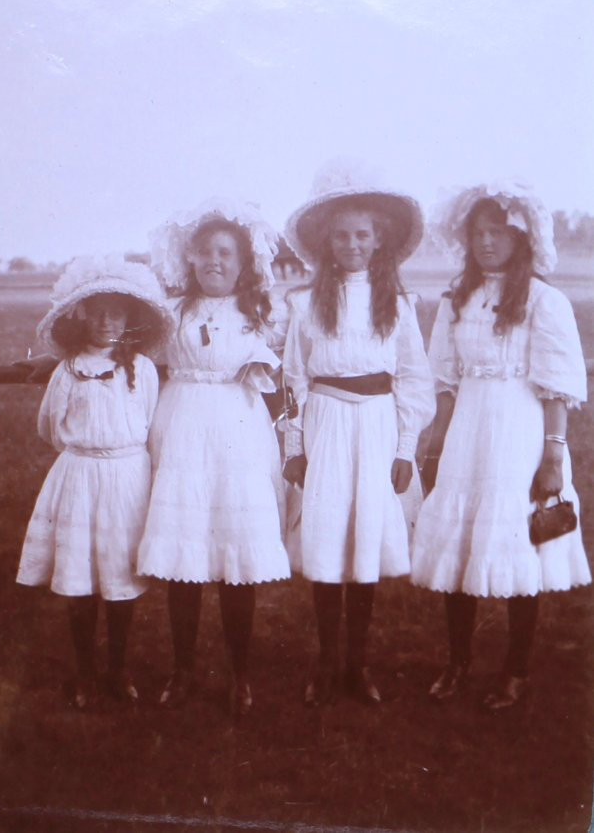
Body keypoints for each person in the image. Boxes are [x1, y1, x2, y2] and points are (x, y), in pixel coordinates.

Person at [410, 182, 591, 709]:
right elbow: (445, 378)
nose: (486, 242)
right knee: (461, 540)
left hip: (520, 430)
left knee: (517, 542)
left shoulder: (544, 299)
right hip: (469, 429)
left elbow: (556, 383)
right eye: (478, 233)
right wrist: (436, 443)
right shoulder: (457, 300)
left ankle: (515, 670)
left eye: (497, 232)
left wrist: (553, 454)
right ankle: (458, 662)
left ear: (520, 238)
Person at [282, 161, 435, 706]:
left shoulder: (396, 301)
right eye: (342, 235)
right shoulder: (303, 303)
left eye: (362, 235)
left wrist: (404, 449)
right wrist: (295, 447)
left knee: (366, 538)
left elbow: (415, 378)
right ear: (328, 240)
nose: (351, 244)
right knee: (327, 540)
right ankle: (325, 663)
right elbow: (293, 377)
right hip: (325, 422)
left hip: (376, 426)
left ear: (378, 241)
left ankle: (357, 664)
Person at [137, 199, 290, 716]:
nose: (213, 262)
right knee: (186, 553)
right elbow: (139, 363)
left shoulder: (261, 313)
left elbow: (281, 377)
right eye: (204, 252)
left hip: (238, 432)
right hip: (182, 430)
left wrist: (264, 370)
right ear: (190, 259)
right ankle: (182, 670)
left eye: (224, 253)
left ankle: (240, 672)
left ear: (244, 261)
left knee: (234, 554)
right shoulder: (172, 312)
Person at [16, 254, 172, 709]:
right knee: (80, 573)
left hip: (127, 479)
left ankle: (117, 668)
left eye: (117, 313)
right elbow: (49, 427)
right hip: (80, 477)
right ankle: (84, 670)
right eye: (99, 312)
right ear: (82, 316)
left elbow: (147, 421)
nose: (108, 322)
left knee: (120, 575)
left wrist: (122, 458)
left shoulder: (141, 370)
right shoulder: (67, 371)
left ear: (130, 319)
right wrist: (85, 453)